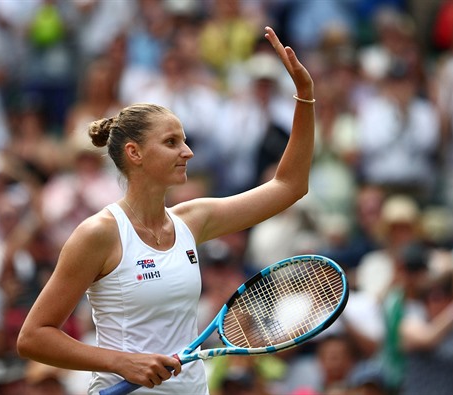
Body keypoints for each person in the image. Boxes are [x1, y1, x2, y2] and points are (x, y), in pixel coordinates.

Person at [17, 26, 315, 395]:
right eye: (172, 142)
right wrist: (121, 362)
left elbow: (290, 186)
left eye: (185, 141)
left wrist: (304, 98)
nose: (187, 152)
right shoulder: (99, 234)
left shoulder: (193, 220)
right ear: (134, 153)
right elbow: (33, 337)